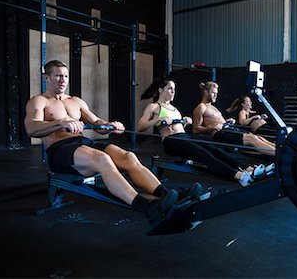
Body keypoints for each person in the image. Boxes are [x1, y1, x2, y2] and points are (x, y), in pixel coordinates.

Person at [24, 60, 184, 224]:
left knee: (128, 157)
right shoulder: (38, 101)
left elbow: (96, 123)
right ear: (47, 78)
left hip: (82, 143)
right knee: (102, 159)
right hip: (60, 150)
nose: (63, 80)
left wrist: (109, 125)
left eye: (65, 76)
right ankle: (147, 207)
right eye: (58, 76)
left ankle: (167, 196)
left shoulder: (75, 101)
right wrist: (59, 123)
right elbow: (31, 128)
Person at [137, 78, 268, 187]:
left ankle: (249, 169)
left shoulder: (174, 109)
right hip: (171, 141)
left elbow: (181, 126)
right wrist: (159, 119)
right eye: (169, 89)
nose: (173, 92)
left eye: (174, 89)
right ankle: (239, 176)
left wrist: (185, 121)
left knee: (214, 150)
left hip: (184, 137)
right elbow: (140, 127)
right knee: (202, 153)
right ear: (160, 90)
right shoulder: (154, 107)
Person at [192, 81, 276, 156]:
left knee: (258, 137)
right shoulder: (201, 107)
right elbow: (195, 129)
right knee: (252, 139)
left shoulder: (212, 107)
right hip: (220, 134)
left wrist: (227, 121)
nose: (216, 96)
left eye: (216, 94)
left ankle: (282, 151)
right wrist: (212, 128)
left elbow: (217, 122)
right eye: (213, 93)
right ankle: (280, 156)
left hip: (228, 129)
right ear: (206, 92)